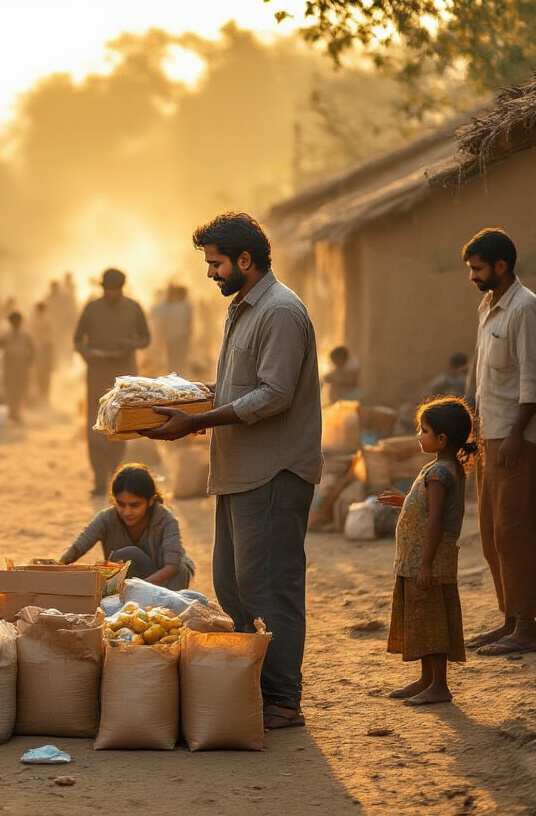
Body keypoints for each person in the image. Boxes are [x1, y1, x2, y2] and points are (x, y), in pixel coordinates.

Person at [144, 212, 322, 732]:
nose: (210, 273)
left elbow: (274, 394)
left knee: (270, 588)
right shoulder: (244, 308)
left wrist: (197, 421)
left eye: (216, 263)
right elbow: (238, 386)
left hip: (273, 470)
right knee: (234, 586)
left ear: (246, 260)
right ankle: (253, 688)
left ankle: (283, 699)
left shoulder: (281, 311)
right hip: (238, 470)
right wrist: (185, 401)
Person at [461, 228, 536, 656]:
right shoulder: (488, 308)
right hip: (489, 437)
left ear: (501, 266)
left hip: (518, 439)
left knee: (515, 531)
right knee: (491, 533)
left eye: (478, 269)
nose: (473, 277)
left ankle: (527, 628)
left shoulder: (526, 309)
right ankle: (509, 620)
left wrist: (516, 435)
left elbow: (533, 383)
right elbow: (482, 380)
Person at [377, 397, 475, 706]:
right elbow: (431, 509)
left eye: (424, 430)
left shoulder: (439, 474)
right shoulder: (440, 468)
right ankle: (426, 679)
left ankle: (439, 686)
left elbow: (435, 520)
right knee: (422, 619)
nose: (419, 436)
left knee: (432, 622)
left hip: (428, 561)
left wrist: (426, 564)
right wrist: (404, 500)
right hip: (420, 560)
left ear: (442, 439)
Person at [74, 267, 151, 495]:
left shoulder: (133, 308)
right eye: (109, 290)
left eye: (116, 290)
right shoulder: (91, 308)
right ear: (102, 288)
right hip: (97, 373)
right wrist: (87, 353)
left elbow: (146, 339)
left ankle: (116, 476)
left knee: (119, 425)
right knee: (96, 425)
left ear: (122, 288)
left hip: (124, 376)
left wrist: (130, 343)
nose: (112, 294)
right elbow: (77, 340)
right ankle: (98, 479)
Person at [59, 464, 195, 589]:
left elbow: (172, 567)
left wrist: (137, 587)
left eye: (135, 505)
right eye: (121, 504)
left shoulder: (166, 519)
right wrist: (58, 565)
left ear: (150, 501)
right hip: (127, 581)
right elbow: (78, 546)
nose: (127, 512)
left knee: (180, 571)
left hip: (161, 581)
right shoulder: (107, 517)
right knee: (125, 556)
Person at [0, 311, 36, 421]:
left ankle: (16, 411)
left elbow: (32, 350)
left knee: (20, 388)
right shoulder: (5, 335)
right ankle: (12, 411)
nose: (16, 323)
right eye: (14, 321)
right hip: (9, 364)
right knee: (10, 387)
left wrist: (29, 362)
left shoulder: (26, 335)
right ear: (10, 322)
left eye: (18, 321)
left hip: (21, 364)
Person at [30, 301, 56, 404]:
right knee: (40, 375)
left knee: (44, 375)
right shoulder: (35, 321)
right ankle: (41, 397)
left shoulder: (46, 321)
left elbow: (50, 339)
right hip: (38, 351)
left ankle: (44, 397)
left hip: (44, 350)